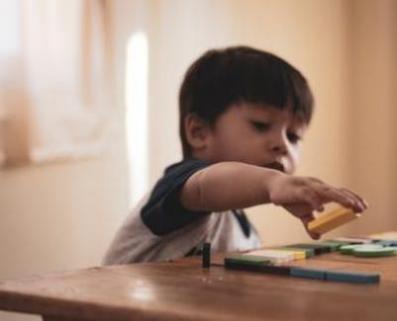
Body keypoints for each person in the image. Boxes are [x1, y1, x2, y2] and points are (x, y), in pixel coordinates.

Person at [103, 46, 367, 265]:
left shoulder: (246, 234)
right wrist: (272, 182)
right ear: (199, 132)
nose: (282, 145)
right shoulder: (183, 188)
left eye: (294, 135)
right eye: (262, 125)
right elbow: (209, 186)